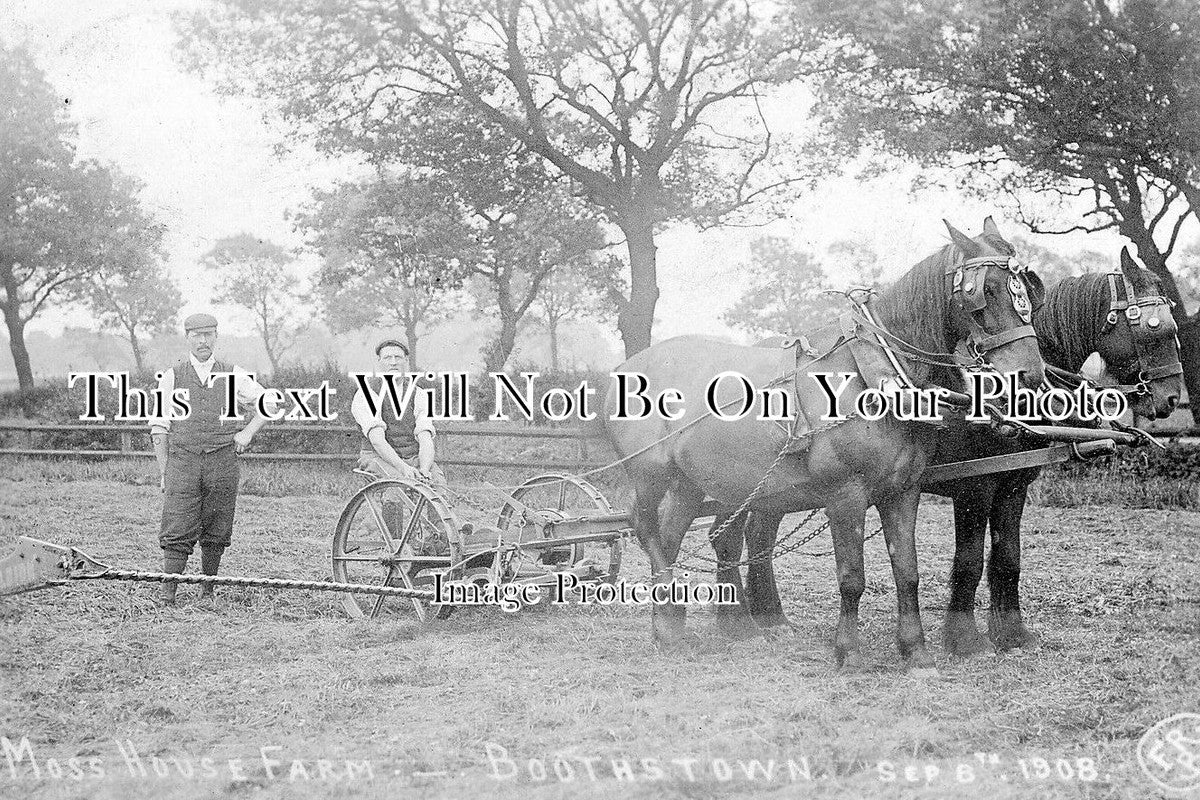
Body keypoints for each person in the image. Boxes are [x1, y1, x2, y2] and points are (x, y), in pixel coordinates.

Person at [149, 313, 277, 606]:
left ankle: (207, 591)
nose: (203, 341)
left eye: (208, 334)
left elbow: (269, 403)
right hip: (183, 462)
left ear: (216, 336)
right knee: (177, 524)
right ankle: (168, 594)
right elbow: (159, 428)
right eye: (197, 335)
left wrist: (246, 433)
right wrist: (164, 471)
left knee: (217, 526)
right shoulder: (172, 376)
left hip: (222, 461)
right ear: (188, 338)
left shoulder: (233, 374)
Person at [351, 338, 446, 487]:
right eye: (388, 357)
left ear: (406, 360)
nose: (393, 362)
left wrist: (425, 469)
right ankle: (392, 507)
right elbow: (377, 440)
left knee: (439, 485)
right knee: (396, 487)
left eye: (398, 357)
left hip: (412, 457)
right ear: (379, 361)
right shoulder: (367, 393)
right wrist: (403, 468)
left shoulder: (418, 394)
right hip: (377, 458)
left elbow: (425, 438)